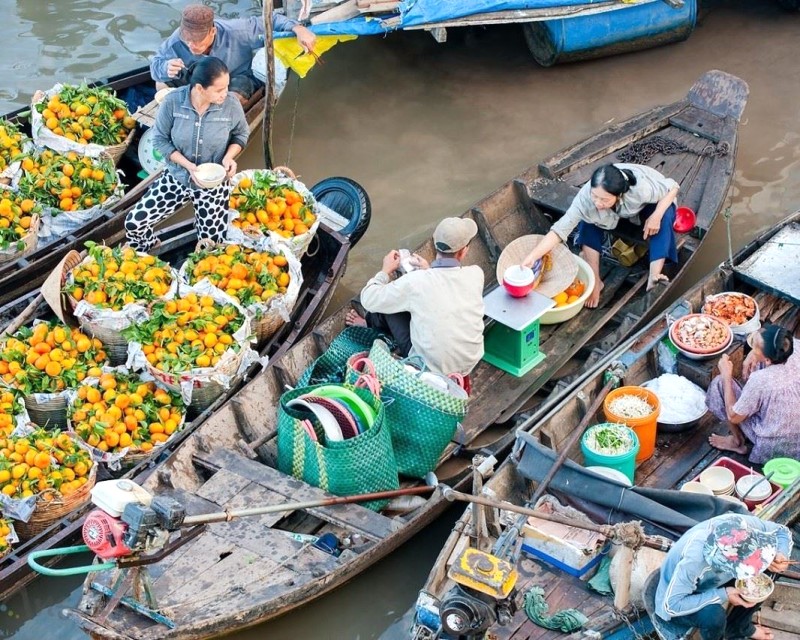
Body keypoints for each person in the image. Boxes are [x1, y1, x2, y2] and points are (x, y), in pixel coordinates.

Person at [125, 57, 247, 252]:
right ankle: (148, 250)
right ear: (199, 88)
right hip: (177, 177)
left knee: (211, 244)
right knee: (134, 223)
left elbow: (241, 133)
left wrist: (228, 157)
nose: (226, 93)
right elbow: (160, 139)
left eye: (227, 87)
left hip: (213, 183)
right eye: (219, 90)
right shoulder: (173, 102)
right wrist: (188, 166)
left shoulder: (231, 104)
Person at [522, 163, 679, 308]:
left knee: (665, 217)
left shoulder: (640, 189)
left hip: (649, 204)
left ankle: (654, 275)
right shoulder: (586, 198)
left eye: (604, 199)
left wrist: (656, 216)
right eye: (595, 195)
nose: (597, 202)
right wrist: (533, 256)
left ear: (619, 196)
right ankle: (595, 280)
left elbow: (673, 187)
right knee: (587, 221)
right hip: (613, 215)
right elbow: (559, 230)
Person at [346, 217, 485, 380]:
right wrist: (428, 269)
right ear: (463, 251)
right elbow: (447, 284)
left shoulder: (417, 281)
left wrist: (385, 270)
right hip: (469, 362)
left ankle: (368, 324)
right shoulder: (476, 273)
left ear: (434, 244)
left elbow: (368, 299)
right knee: (417, 302)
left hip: (429, 368)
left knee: (390, 304)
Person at [654, 513, 791, 640]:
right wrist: (723, 594)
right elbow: (671, 605)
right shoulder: (694, 562)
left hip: (715, 580)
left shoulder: (741, 525)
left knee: (773, 568)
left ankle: (739, 627)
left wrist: (780, 554)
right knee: (714, 616)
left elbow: (782, 531)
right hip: (681, 597)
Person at [150, 4, 316, 103]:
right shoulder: (176, 39)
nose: (191, 46)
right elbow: (155, 66)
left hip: (234, 77)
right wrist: (165, 67)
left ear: (212, 31)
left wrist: (298, 28)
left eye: (198, 41)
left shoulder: (237, 31)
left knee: (232, 101)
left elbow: (272, 19)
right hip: (198, 78)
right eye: (187, 40)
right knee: (161, 84)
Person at [707, 324, 800, 463]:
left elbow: (733, 416)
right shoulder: (794, 346)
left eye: (755, 348)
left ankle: (737, 441)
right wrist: (753, 354)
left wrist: (726, 376)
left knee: (719, 383)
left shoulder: (760, 381)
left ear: (768, 360)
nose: (752, 349)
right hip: (796, 441)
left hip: (771, 445)